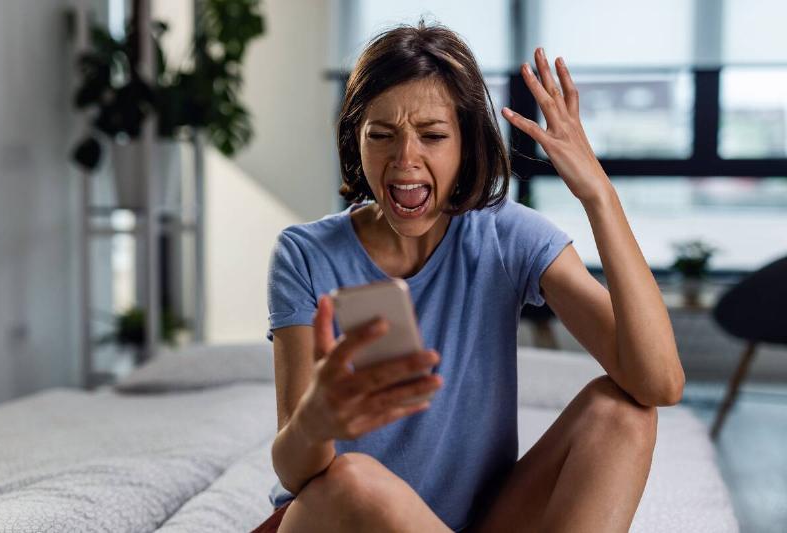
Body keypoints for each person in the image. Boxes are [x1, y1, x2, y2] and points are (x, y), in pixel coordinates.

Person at [253, 21, 685, 533]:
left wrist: (599, 196)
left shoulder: (506, 236)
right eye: (382, 136)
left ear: (466, 143)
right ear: (357, 139)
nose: (405, 159)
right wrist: (314, 424)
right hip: (341, 519)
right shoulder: (306, 254)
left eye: (432, 136)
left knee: (623, 412)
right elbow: (297, 472)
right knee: (354, 480)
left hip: (476, 522)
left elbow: (658, 383)